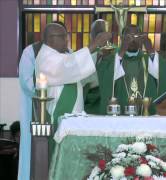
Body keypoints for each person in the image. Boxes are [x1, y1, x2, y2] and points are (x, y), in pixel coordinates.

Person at [35, 22, 111, 128]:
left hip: (73, 117)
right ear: (51, 38)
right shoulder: (45, 58)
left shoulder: (63, 55)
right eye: (63, 37)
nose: (67, 40)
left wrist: (97, 56)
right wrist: (94, 44)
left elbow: (77, 74)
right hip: (59, 115)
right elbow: (68, 65)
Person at [17, 21, 66, 180]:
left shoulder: (67, 53)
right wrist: (50, 85)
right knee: (36, 154)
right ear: (49, 37)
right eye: (62, 37)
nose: (65, 41)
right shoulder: (30, 52)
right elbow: (27, 82)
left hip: (63, 111)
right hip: (38, 109)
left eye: (65, 36)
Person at [96, 24, 166, 115]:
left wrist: (150, 50)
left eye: (136, 36)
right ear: (121, 39)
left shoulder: (149, 60)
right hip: (119, 118)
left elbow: (165, 73)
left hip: (146, 117)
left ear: (142, 39)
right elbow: (105, 78)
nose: (132, 40)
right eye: (128, 37)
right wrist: (122, 51)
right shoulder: (111, 59)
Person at [83, 19, 112, 114]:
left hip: (111, 100)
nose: (100, 36)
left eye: (102, 32)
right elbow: (81, 78)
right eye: (97, 33)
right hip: (91, 102)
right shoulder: (85, 54)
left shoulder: (117, 53)